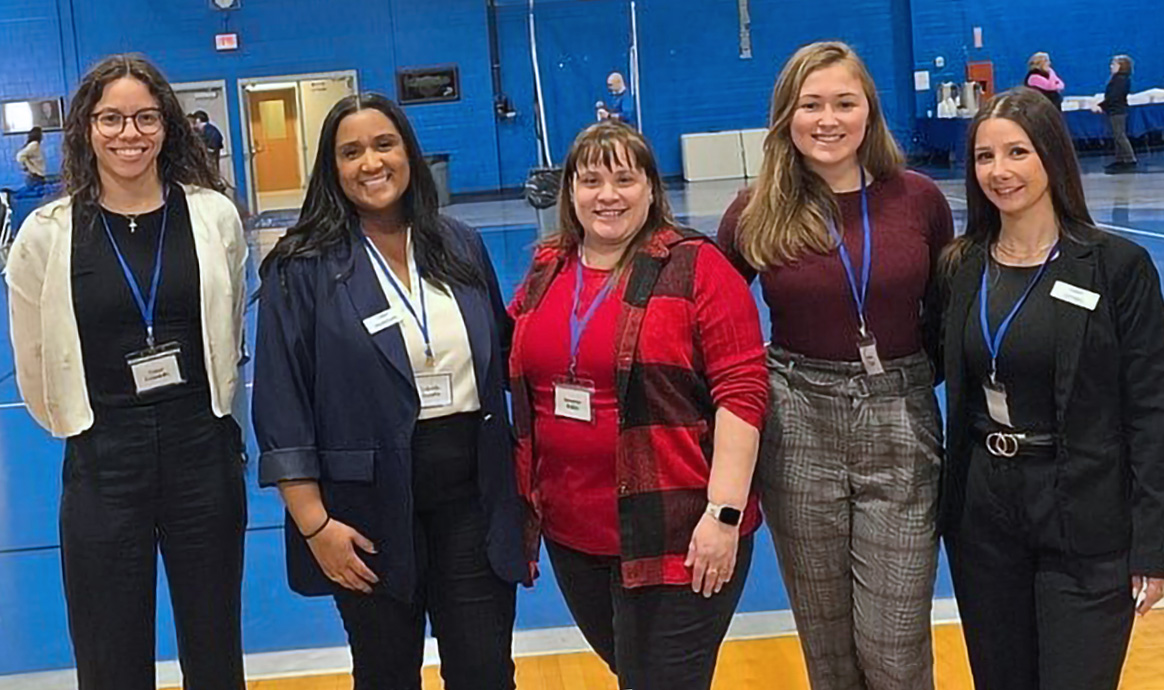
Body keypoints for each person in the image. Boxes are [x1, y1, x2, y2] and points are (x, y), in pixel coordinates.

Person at [252, 93, 526, 690]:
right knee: (385, 674)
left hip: (472, 502)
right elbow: (281, 405)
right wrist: (315, 525)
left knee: (485, 671)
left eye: (384, 144)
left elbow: (504, 356)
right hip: (364, 509)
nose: (370, 163)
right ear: (332, 168)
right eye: (350, 152)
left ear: (408, 153)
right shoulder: (300, 267)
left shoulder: (459, 245)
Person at [5, 54, 247, 689]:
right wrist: (76, 426)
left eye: (144, 117)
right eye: (110, 118)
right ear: (86, 127)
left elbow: (231, 321)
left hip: (204, 450)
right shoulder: (47, 233)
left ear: (167, 125)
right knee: (109, 656)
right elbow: (30, 351)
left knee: (215, 644)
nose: (128, 133)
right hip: (103, 459)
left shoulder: (213, 216)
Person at [717, 41, 953, 689]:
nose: (828, 119)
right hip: (796, 424)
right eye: (810, 104)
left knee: (895, 648)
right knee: (828, 650)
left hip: (901, 421)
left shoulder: (919, 200)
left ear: (868, 113)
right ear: (785, 117)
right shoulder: (754, 210)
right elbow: (708, 316)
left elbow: (950, 312)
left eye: (844, 103)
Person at [508, 121, 767, 689]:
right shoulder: (549, 267)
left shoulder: (696, 267)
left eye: (625, 179)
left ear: (652, 189)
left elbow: (742, 392)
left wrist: (723, 515)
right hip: (575, 534)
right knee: (637, 676)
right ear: (569, 192)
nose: (607, 195)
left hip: (678, 532)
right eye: (591, 179)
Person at [939, 86, 1164, 690]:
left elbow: (1150, 410)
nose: (1000, 171)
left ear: (1052, 157)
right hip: (984, 513)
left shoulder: (1116, 268)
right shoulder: (962, 267)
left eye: (1018, 152)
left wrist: (1153, 545)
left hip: (1087, 512)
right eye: (985, 157)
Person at [1094, 55, 1136, 173]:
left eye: (1114, 64)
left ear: (1121, 66)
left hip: (1117, 111)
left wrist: (1101, 105)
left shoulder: (1120, 80)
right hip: (1114, 110)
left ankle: (1129, 159)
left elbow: (1114, 97)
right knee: (1117, 135)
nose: (1111, 66)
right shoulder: (1118, 79)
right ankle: (1120, 159)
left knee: (1120, 135)